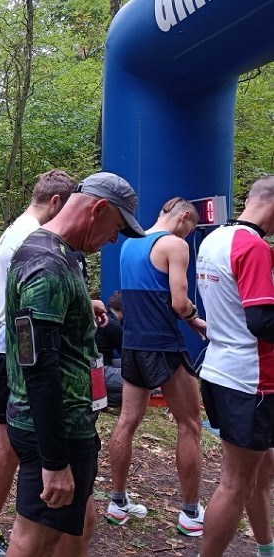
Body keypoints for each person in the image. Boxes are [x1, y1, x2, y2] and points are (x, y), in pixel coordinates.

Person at [4, 172, 145, 557]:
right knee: (36, 537)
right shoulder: (46, 265)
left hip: (69, 422)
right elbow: (38, 366)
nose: (114, 238)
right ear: (97, 209)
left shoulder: (60, 253)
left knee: (80, 526)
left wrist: (84, 306)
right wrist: (54, 461)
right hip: (52, 427)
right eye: (115, 227)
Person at [0, 168, 76, 556]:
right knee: (11, 445)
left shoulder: (18, 228)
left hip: (8, 347)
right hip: (14, 351)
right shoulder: (29, 238)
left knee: (10, 446)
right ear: (56, 202)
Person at [106, 197, 207, 535]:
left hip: (133, 345)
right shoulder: (175, 245)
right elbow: (179, 303)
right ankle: (191, 513)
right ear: (183, 216)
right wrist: (197, 320)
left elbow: (147, 297)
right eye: (191, 226)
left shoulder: (130, 244)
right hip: (163, 345)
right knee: (190, 424)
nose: (190, 233)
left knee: (127, 421)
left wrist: (189, 321)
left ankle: (117, 502)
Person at [195, 175, 274, 557]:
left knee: (261, 471)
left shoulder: (213, 239)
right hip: (251, 380)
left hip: (219, 369)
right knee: (236, 481)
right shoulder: (254, 246)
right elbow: (262, 322)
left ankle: (265, 547)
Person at [95, 291, 124, 408]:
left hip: (95, 367)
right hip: (101, 371)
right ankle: (99, 400)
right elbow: (128, 354)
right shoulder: (113, 325)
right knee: (144, 382)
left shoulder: (104, 318)